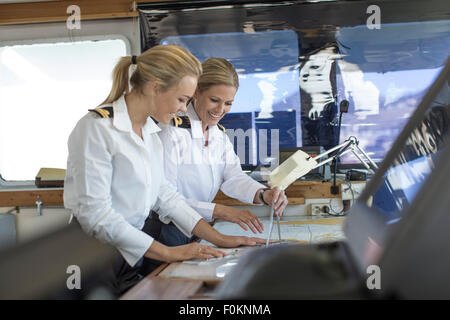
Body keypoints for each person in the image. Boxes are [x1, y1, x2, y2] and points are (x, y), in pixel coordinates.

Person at [63, 46, 265, 296]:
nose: (183, 109)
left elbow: (166, 196)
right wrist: (168, 252)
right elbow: (96, 214)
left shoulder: (149, 133)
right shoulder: (97, 128)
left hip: (130, 250)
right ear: (155, 86)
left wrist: (218, 238)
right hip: (92, 257)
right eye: (182, 99)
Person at [146, 57, 288, 258]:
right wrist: (219, 211)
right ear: (196, 93)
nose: (220, 110)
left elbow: (233, 177)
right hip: (166, 231)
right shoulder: (171, 132)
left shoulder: (218, 134)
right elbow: (164, 198)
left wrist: (264, 194)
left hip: (199, 228)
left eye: (228, 103)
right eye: (214, 100)